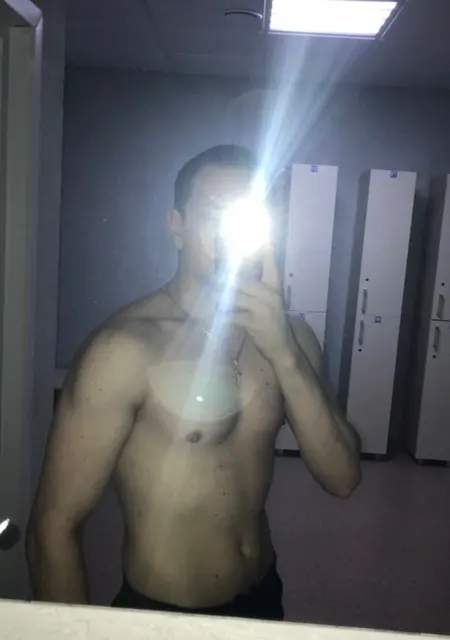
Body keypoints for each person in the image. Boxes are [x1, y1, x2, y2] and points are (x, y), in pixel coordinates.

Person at [26, 145, 361, 621]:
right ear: (177, 227)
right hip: (166, 615)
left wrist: (284, 353)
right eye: (214, 214)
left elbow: (343, 477)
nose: (229, 235)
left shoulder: (292, 338)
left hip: (264, 596)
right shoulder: (123, 350)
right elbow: (52, 529)